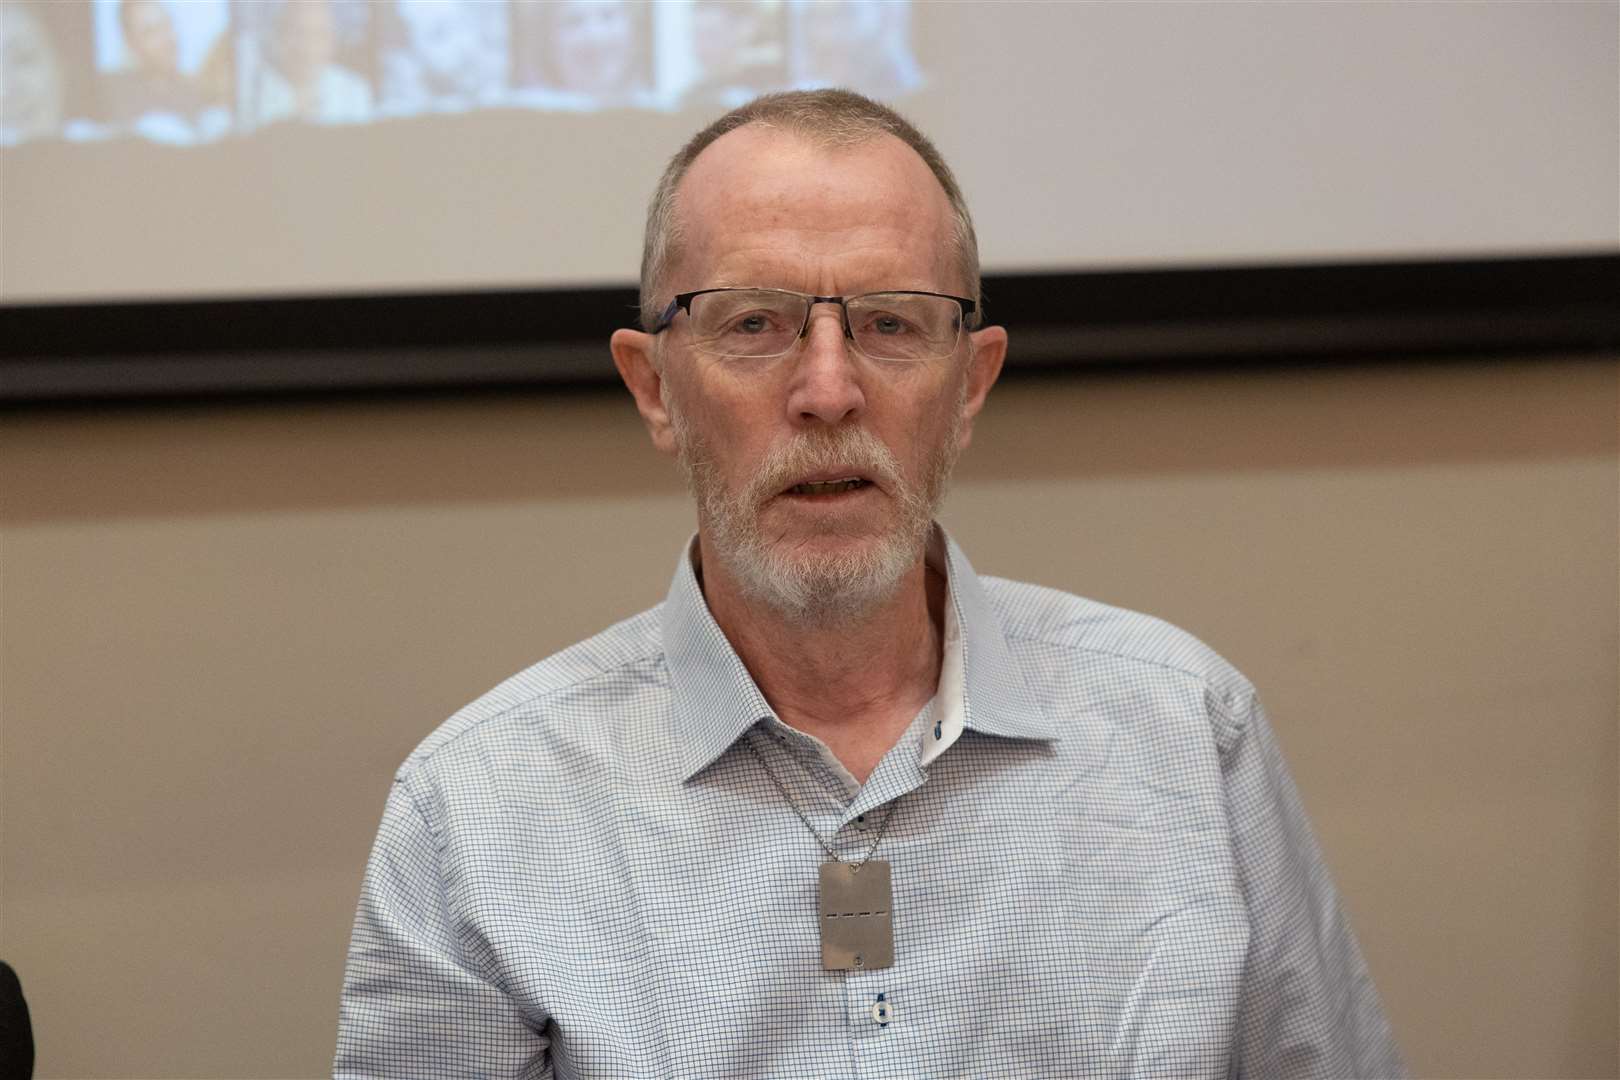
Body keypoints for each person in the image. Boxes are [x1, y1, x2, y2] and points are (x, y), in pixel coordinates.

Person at [335, 89, 1404, 1078]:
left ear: (970, 384)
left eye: (891, 323)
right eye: (753, 323)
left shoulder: (1185, 730)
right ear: (654, 387)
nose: (829, 390)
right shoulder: (478, 811)